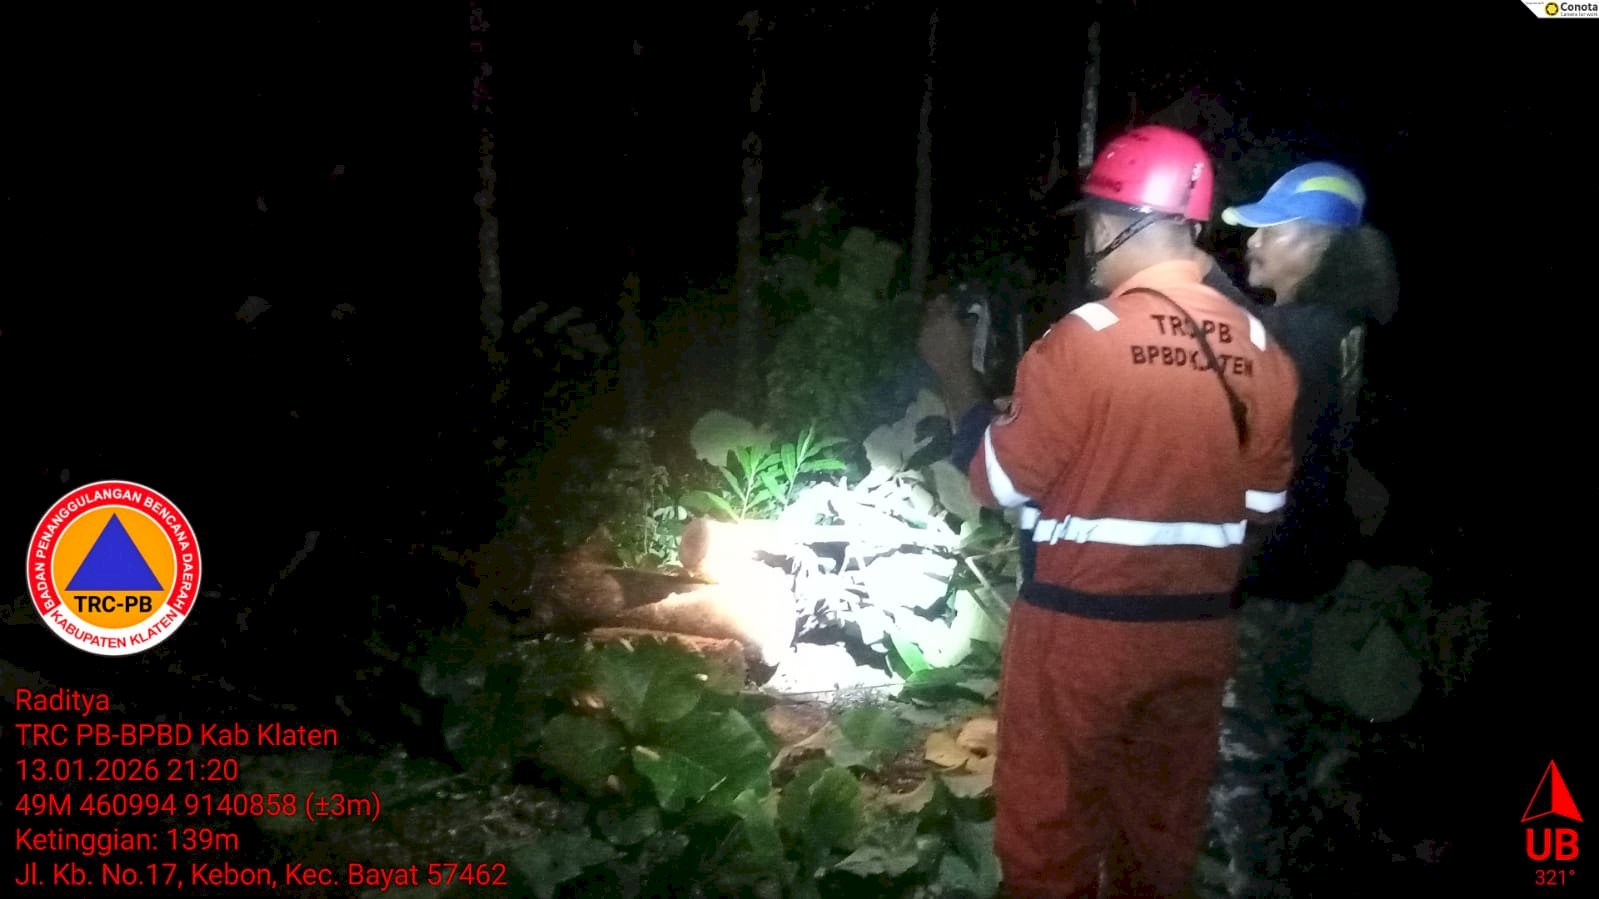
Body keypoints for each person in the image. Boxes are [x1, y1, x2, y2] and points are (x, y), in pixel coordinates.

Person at [918, 123, 1300, 899]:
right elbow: (1261, 505)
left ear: (1109, 224)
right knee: (1158, 836)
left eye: (1090, 223)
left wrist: (955, 373)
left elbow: (991, 480)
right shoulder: (1261, 349)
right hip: (1196, 637)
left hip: (1079, 635)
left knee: (1048, 834)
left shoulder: (1083, 340)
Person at [1207, 161, 1400, 897]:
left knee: (1246, 754)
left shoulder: (1294, 334)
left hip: (1269, 578)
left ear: (1316, 244)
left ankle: (1251, 882)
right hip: (1312, 572)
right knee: (1286, 742)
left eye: (1269, 230)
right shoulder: (1343, 328)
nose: (1251, 244)